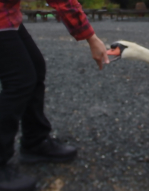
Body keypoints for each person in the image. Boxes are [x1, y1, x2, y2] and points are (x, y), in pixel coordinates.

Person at [0, 0, 109, 190]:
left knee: (34, 68)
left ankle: (35, 141)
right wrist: (91, 37)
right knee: (19, 80)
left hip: (7, 13)